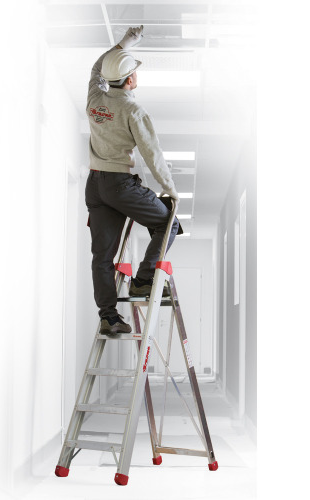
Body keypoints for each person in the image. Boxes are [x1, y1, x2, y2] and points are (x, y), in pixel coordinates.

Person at [85, 25, 180, 336]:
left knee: (102, 256)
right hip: (119, 186)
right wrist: (170, 190)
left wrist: (123, 44)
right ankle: (143, 280)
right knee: (169, 222)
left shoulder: (94, 98)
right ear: (130, 80)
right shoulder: (133, 110)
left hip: (95, 185)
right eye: (134, 71)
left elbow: (97, 68)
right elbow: (152, 154)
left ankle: (109, 316)